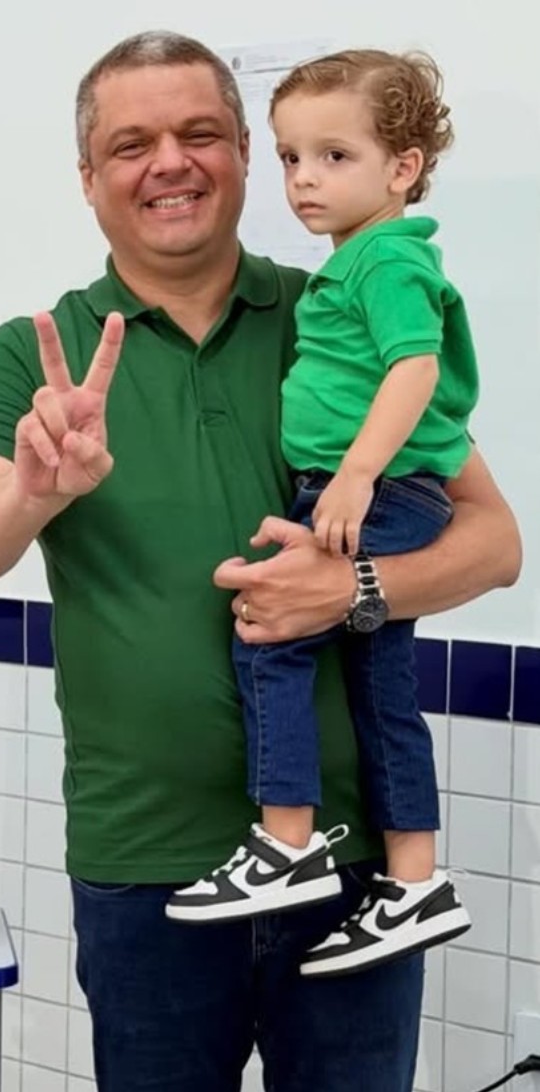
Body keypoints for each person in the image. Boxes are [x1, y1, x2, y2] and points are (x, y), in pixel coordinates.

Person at [0, 31, 520, 1090]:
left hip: (346, 870)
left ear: (243, 159)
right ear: (87, 178)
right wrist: (37, 489)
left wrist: (352, 586)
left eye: (198, 132)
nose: (168, 161)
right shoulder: (32, 351)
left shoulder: (336, 310)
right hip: (144, 869)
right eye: (130, 143)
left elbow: (493, 541)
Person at [167, 50, 476, 977]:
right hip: (373, 490)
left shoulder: (384, 262)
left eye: (334, 157)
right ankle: (415, 880)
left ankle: (286, 843)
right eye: (293, 157)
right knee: (384, 687)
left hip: (374, 491)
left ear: (403, 168)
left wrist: (351, 479)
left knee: (271, 630)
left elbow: (416, 369)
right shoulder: (359, 260)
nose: (305, 180)